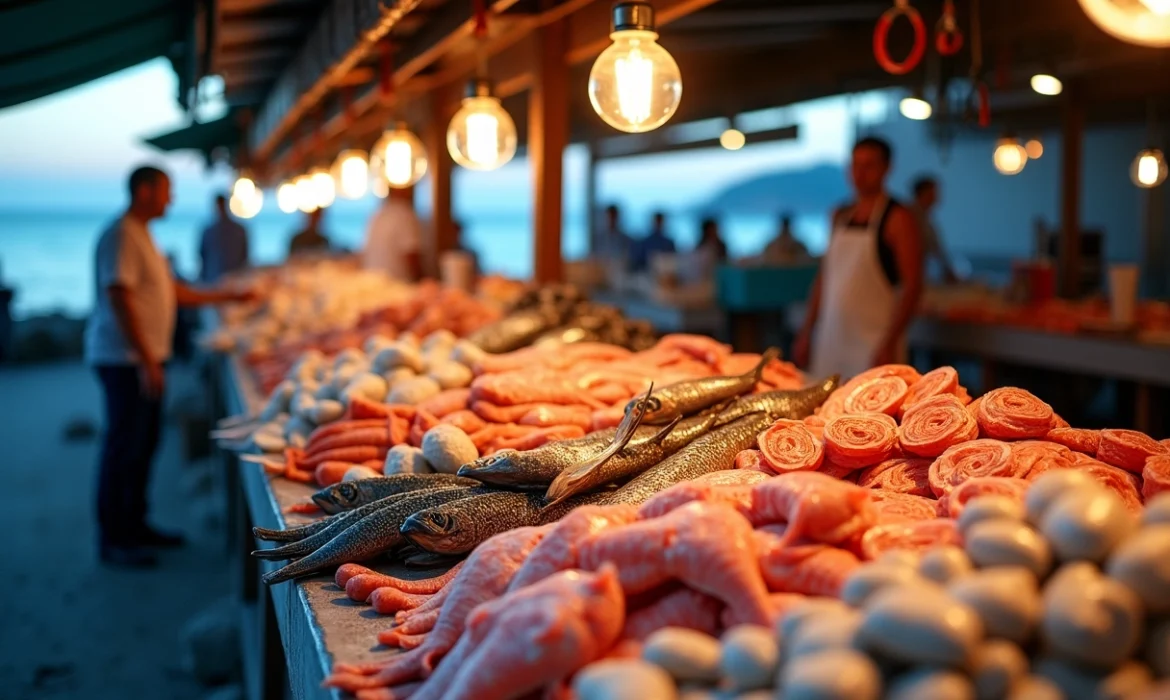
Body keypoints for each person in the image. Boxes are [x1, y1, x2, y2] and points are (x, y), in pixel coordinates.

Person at [85, 165, 256, 567]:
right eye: (166, 190)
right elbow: (118, 295)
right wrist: (146, 360)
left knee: (144, 443)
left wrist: (223, 298)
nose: (171, 198)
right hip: (122, 360)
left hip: (140, 359)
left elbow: (170, 290)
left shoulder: (143, 235)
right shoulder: (122, 235)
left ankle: (137, 524)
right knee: (123, 446)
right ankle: (115, 539)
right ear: (144, 191)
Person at [792, 137, 924, 379]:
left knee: (872, 413)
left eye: (869, 166)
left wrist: (890, 342)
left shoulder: (898, 218)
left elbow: (913, 286)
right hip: (830, 340)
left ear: (887, 168)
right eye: (855, 165)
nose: (860, 173)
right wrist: (806, 331)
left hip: (874, 343)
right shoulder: (838, 215)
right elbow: (825, 278)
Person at [363, 187, 422, 281]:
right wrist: (421, 280)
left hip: (373, 281)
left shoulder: (377, 214)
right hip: (398, 284)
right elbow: (411, 254)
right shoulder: (404, 213)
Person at [910, 176, 957, 283]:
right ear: (923, 193)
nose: (937, 197)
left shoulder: (926, 218)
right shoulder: (910, 216)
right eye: (933, 192)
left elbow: (937, 248)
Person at [199, 194, 249, 282]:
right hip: (220, 279)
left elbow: (202, 256)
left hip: (222, 279)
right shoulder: (239, 229)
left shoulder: (209, 231)